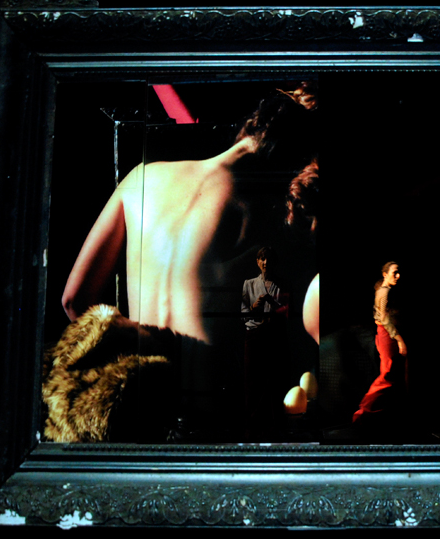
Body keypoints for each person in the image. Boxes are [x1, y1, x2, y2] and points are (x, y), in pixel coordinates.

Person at [45, 82, 320, 442]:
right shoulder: (269, 215)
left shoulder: (141, 178)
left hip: (137, 414)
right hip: (213, 421)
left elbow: (74, 300)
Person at [351, 261, 409, 428]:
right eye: (394, 272)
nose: (398, 276)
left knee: (396, 375)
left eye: (398, 272)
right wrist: (399, 340)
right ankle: (363, 411)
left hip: (391, 333)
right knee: (387, 374)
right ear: (385, 274)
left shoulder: (387, 290)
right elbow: (383, 318)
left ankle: (387, 416)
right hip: (387, 334)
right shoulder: (384, 292)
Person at [240, 246, 289, 437]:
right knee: (252, 380)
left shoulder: (282, 284)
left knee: (272, 380)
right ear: (257, 262)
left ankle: (272, 425)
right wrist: (254, 307)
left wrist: (272, 303)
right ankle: (252, 424)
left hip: (273, 336)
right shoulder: (249, 284)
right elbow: (244, 315)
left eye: (268, 258)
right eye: (262, 258)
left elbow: (286, 312)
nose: (265, 262)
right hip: (254, 335)